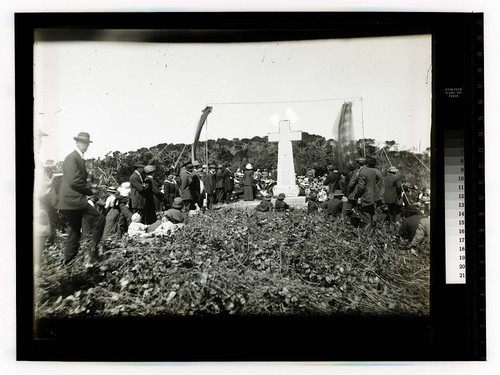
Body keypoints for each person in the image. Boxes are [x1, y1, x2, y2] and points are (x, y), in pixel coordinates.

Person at [57, 132, 105, 269]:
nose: (85, 146)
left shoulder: (77, 158)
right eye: (82, 143)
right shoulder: (73, 158)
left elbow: (76, 180)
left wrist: (91, 186)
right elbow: (74, 181)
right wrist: (91, 191)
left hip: (69, 199)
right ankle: (92, 253)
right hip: (73, 199)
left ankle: (68, 265)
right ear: (77, 143)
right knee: (99, 219)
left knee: (74, 232)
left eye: (87, 144)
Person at [33, 128, 57, 277]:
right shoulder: (36, 161)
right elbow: (44, 190)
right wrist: (54, 200)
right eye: (39, 139)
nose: (40, 142)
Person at [354, 155, 382, 231]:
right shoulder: (373, 171)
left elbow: (361, 187)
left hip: (366, 197)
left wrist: (357, 195)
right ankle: (375, 230)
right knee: (372, 214)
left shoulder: (362, 172)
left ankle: (368, 235)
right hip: (374, 197)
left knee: (366, 217)